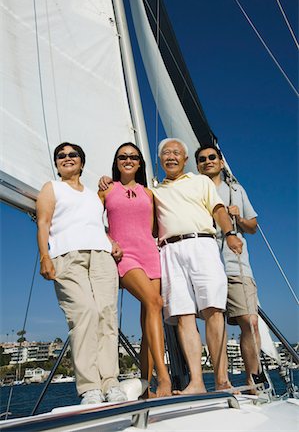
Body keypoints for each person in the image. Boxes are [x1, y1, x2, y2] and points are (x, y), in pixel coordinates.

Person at [36, 142, 127, 404]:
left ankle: (111, 382)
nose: (66, 158)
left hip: (101, 256)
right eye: (61, 156)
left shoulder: (92, 195)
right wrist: (45, 256)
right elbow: (43, 222)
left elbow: (95, 224)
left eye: (72, 155)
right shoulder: (51, 188)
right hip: (67, 256)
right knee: (84, 312)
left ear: (82, 163)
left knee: (106, 315)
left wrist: (111, 241)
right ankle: (90, 387)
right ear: (56, 164)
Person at [152, 138, 243, 394]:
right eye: (166, 153)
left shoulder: (201, 181)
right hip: (169, 250)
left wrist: (230, 233)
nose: (171, 156)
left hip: (202, 243)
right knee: (184, 315)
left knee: (214, 309)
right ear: (160, 160)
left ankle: (222, 379)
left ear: (185, 159)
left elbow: (218, 210)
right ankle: (197, 383)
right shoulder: (154, 190)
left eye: (176, 153)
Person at [98, 142, 172, 398]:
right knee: (155, 302)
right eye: (122, 157)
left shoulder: (148, 193)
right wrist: (109, 241)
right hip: (124, 256)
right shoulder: (106, 190)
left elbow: (153, 228)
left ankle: (145, 388)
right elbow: (93, 220)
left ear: (140, 163)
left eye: (133, 157)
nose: (128, 160)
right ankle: (164, 379)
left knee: (149, 319)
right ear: (116, 162)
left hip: (150, 254)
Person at [196, 144, 261, 390]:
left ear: (221, 163)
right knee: (214, 322)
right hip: (206, 262)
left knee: (250, 321)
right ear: (198, 165)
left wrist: (239, 218)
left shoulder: (236, 190)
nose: (208, 161)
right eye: (202, 159)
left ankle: (253, 379)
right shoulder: (195, 190)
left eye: (212, 157)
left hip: (236, 264)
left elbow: (252, 226)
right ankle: (221, 381)